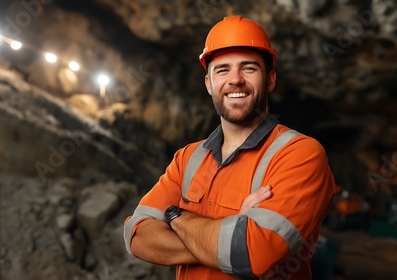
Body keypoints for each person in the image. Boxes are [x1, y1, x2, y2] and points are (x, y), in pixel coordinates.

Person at [124, 15, 336, 280]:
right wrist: (232, 230)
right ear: (209, 84)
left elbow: (250, 255)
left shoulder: (299, 154)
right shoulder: (187, 158)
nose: (235, 80)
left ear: (270, 80)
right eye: (222, 70)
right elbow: (137, 236)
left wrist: (175, 217)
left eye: (249, 68)